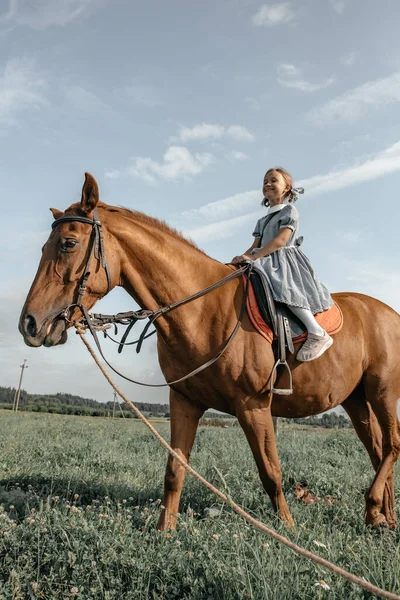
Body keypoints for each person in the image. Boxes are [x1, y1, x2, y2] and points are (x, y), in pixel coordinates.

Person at [231, 167, 333, 362]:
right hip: (263, 257)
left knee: (284, 290)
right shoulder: (262, 221)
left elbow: (280, 241)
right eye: (264, 181)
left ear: (287, 188)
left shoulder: (289, 211)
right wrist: (241, 257)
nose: (267, 184)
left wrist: (254, 258)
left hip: (284, 260)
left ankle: (316, 331)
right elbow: (255, 245)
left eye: (273, 180)